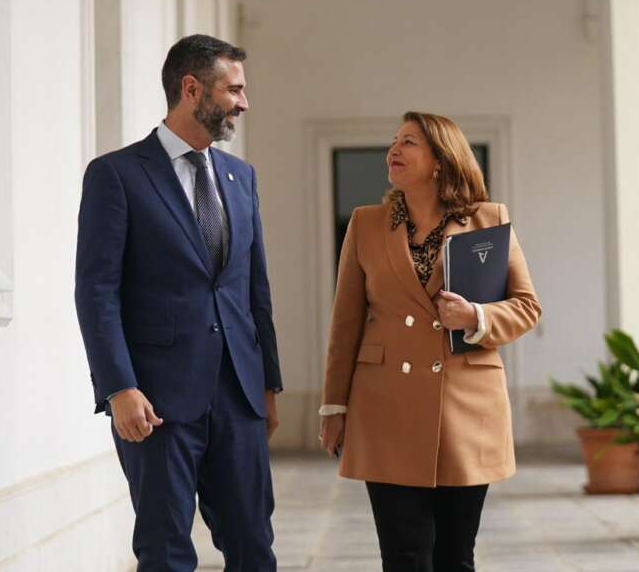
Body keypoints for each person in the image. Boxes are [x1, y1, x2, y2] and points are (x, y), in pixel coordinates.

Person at [75, 34, 282, 572]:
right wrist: (118, 387)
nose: (243, 102)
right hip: (157, 403)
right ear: (191, 89)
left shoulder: (242, 178)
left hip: (238, 396)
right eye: (233, 89)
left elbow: (254, 290)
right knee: (166, 553)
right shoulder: (116, 175)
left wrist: (268, 384)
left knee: (254, 547)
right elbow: (96, 291)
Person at [318, 111, 541, 571]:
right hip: (385, 409)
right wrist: (334, 406)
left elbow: (526, 306)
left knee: (455, 557)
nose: (393, 150)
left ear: (441, 160)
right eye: (393, 142)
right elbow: (346, 324)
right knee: (404, 557)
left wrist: (475, 316)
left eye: (409, 143)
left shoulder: (489, 220)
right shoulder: (366, 224)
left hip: (464, 409)